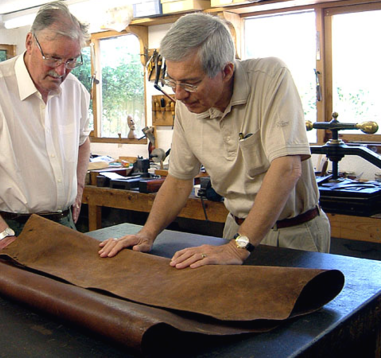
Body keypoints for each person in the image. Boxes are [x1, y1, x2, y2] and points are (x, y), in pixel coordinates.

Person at [99, 12, 330, 268]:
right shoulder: (187, 105)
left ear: (227, 71)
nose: (179, 95)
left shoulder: (271, 77)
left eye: (190, 83)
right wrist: (147, 233)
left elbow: (287, 168)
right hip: (236, 229)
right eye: (172, 81)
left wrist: (236, 248)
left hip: (295, 233)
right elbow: (178, 181)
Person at [0, 1, 91, 255]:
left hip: (63, 226)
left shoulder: (76, 91)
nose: (61, 71)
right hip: (6, 229)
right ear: (29, 42)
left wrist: (78, 190)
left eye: (71, 61)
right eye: (53, 58)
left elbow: (83, 141)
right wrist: (3, 237)